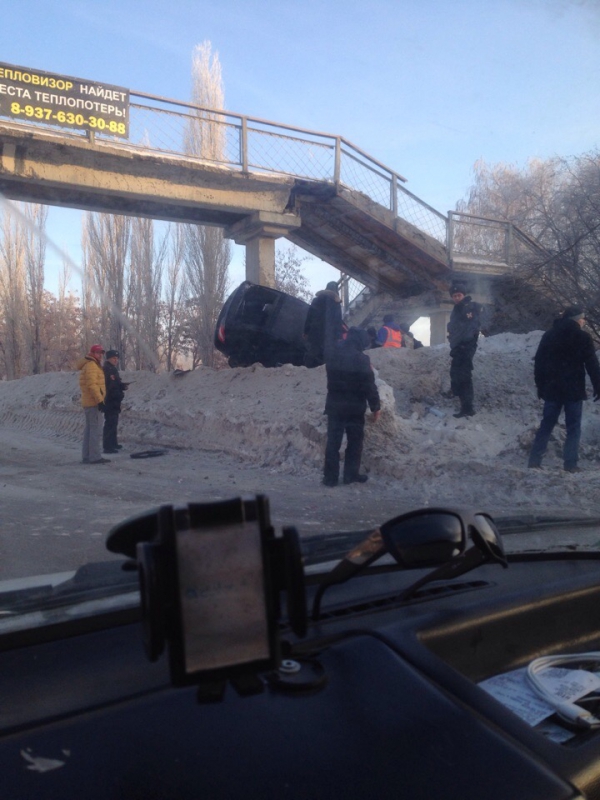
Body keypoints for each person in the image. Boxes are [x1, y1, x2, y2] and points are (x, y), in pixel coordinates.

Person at [528, 305, 600, 473]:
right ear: (576, 319)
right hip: (573, 389)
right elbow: (592, 364)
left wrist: (540, 385)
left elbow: (539, 362)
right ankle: (570, 464)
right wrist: (598, 385)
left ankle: (534, 460)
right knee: (573, 427)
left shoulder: (549, 335)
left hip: (552, 389)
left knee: (546, 424)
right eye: (582, 318)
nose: (583, 321)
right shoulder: (583, 337)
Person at [323, 327, 381, 487]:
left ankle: (330, 478)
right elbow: (369, 385)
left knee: (333, 443)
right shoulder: (361, 359)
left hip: (334, 405)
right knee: (354, 442)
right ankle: (350, 475)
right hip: (354, 408)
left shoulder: (333, 354)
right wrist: (375, 406)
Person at [446, 282, 481, 418]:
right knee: (455, 375)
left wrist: (464, 344)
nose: (456, 298)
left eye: (459, 295)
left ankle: (468, 408)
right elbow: (454, 329)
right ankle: (462, 403)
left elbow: (471, 329)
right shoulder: (456, 309)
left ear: (463, 295)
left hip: (466, 348)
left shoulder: (469, 308)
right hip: (458, 348)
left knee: (464, 377)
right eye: (454, 296)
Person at [77, 344, 109, 464]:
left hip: (89, 402)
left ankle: (87, 456)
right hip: (93, 403)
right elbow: (92, 385)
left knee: (90, 430)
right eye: (98, 353)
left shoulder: (91, 365)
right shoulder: (92, 366)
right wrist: (100, 400)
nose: (100, 355)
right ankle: (94, 456)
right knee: (95, 430)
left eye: (101, 353)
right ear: (92, 353)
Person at [303, 281, 344, 368]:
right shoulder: (336, 303)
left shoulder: (316, 300)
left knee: (313, 351)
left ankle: (308, 369)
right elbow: (338, 321)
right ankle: (325, 371)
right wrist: (339, 336)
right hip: (329, 333)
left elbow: (309, 317)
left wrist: (306, 331)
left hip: (315, 331)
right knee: (328, 355)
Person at [102, 349, 128, 454]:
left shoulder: (113, 369)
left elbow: (116, 383)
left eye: (117, 358)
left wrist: (122, 386)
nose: (116, 360)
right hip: (110, 400)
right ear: (108, 358)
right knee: (110, 423)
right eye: (114, 358)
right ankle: (107, 446)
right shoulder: (108, 370)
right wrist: (119, 394)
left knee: (114, 423)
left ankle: (113, 443)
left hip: (114, 400)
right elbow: (111, 387)